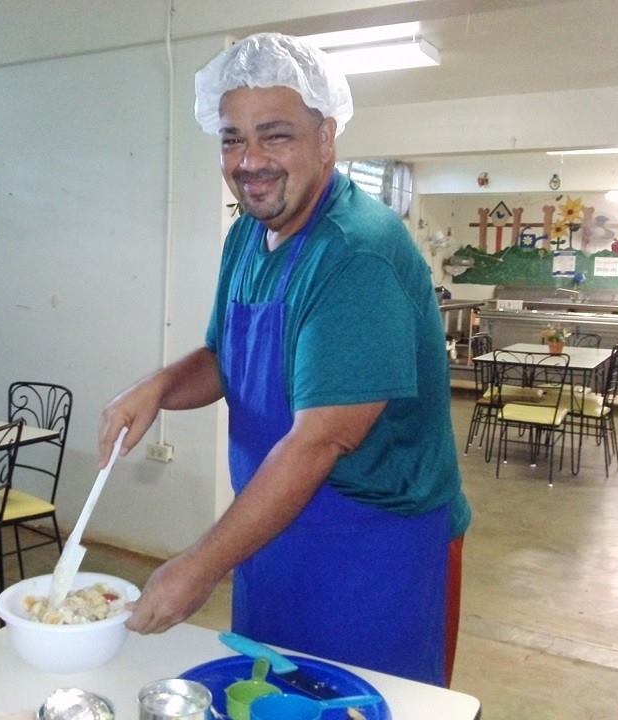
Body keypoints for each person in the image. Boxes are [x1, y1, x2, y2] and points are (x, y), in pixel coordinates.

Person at [98, 32, 470, 687]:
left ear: (326, 138)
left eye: (276, 136)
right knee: (263, 693)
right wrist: (157, 387)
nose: (250, 161)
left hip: (374, 548)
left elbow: (320, 442)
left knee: (361, 701)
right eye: (232, 138)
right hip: (272, 528)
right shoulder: (247, 232)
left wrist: (200, 565)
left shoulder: (357, 256)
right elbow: (225, 358)